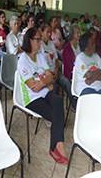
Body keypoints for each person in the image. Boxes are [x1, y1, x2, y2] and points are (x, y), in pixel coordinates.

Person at [18, 27, 68, 164]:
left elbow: (50, 76)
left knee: (58, 100)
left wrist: (44, 84)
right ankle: (55, 148)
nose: (40, 42)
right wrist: (45, 84)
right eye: (38, 39)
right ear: (30, 41)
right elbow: (32, 86)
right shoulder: (23, 60)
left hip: (44, 93)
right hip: (31, 99)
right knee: (56, 115)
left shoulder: (40, 56)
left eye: (40, 39)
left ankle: (58, 145)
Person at [40, 23, 73, 107]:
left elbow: (56, 59)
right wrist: (49, 73)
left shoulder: (51, 44)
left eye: (50, 32)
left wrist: (56, 70)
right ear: (41, 32)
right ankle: (51, 107)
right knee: (53, 83)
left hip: (54, 71)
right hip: (45, 73)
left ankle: (74, 104)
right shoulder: (39, 45)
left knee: (66, 82)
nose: (49, 34)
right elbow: (40, 62)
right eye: (47, 32)